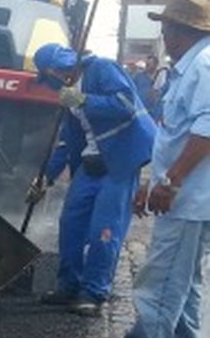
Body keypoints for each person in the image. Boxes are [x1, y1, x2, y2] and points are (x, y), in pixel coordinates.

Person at [94, 0, 210, 338]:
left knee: (160, 278)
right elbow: (174, 134)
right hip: (183, 192)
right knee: (184, 279)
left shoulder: (205, 66)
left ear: (180, 31)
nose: (163, 34)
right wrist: (154, 179)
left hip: (189, 197)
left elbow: (207, 130)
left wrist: (172, 181)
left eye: (167, 27)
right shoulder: (189, 68)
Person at [28, 42, 156, 316]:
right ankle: (68, 287)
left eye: (47, 77)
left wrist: (85, 100)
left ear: (55, 70)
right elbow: (66, 141)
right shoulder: (67, 94)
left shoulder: (102, 69)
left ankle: (94, 292)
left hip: (122, 159)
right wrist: (45, 178)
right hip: (91, 162)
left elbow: (125, 104)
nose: (48, 85)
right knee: (71, 222)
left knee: (104, 230)